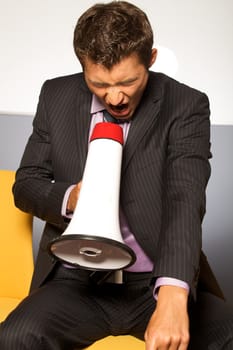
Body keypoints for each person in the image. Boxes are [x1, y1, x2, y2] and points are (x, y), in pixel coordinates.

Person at [0, 1, 232, 349]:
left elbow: (184, 198)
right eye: (99, 84)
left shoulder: (186, 105)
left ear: (150, 59)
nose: (115, 96)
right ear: (83, 68)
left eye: (128, 81)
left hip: (154, 281)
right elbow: (27, 184)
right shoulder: (55, 96)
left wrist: (172, 294)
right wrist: (71, 198)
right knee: (14, 337)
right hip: (76, 282)